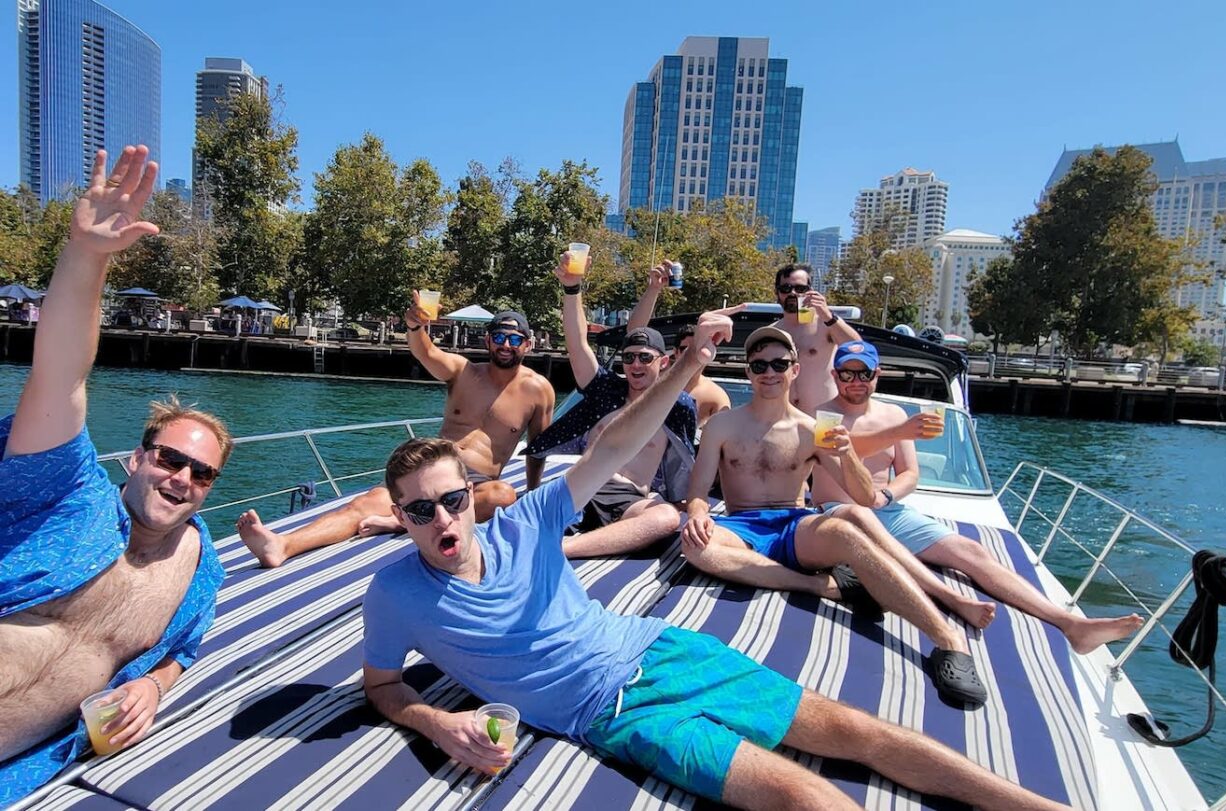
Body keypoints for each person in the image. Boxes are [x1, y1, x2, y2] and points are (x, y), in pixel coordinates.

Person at [360, 308, 1069, 811]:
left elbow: (610, 446)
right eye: (421, 510)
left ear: (472, 493)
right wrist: (436, 721)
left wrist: (689, 363)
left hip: (660, 646)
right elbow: (385, 687)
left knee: (858, 730)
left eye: (451, 500)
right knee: (803, 797)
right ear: (399, 516)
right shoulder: (396, 592)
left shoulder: (526, 520)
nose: (442, 518)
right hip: (613, 713)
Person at [0, 146, 228, 802]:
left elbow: (181, 651)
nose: (181, 476)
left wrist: (153, 687)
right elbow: (62, 376)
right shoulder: (65, 492)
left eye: (201, 472)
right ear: (136, 458)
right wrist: (86, 255)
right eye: (168, 457)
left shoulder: (199, 568)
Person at [679, 326, 990, 707]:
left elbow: (865, 497)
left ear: (795, 369)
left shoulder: (817, 428)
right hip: (740, 524)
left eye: (779, 363)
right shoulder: (722, 425)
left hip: (793, 523)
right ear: (749, 372)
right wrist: (697, 512)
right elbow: (698, 492)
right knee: (696, 547)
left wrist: (847, 455)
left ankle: (948, 640)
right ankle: (818, 585)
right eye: (759, 364)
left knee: (847, 531)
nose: (769, 372)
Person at [814, 341, 1145, 654]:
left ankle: (1071, 624)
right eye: (847, 373)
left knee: (970, 550)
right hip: (841, 512)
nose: (855, 381)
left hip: (888, 509)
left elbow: (910, 474)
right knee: (887, 547)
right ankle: (952, 599)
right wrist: (898, 434)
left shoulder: (896, 415)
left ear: (877, 374)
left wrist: (887, 495)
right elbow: (838, 449)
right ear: (835, 376)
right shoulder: (822, 416)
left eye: (864, 373)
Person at [236, 302, 554, 567]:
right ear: (487, 341)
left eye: (514, 339)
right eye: (499, 336)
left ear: (527, 344)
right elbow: (425, 353)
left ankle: (401, 521)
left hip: (474, 483)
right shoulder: (463, 372)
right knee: (364, 504)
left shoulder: (538, 391)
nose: (505, 345)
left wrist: (535, 492)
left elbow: (538, 448)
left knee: (504, 496)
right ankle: (282, 545)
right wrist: (415, 327)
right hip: (433, 466)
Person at [521, 258, 691, 558]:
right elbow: (577, 343)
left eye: (645, 358)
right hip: (579, 484)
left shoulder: (676, 407)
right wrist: (571, 288)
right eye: (628, 358)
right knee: (505, 508)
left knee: (665, 518)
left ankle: (563, 549)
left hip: (628, 497)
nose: (635, 365)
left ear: (664, 362)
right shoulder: (605, 391)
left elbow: (687, 461)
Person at [626, 263, 731, 426]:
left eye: (699, 348)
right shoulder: (653, 381)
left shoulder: (716, 397)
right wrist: (653, 289)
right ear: (675, 352)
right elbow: (634, 334)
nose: (693, 355)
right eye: (686, 349)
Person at [768, 263, 862, 414]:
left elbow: (857, 349)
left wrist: (827, 315)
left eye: (800, 289)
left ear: (810, 292)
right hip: (783, 421)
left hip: (822, 419)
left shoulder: (825, 325)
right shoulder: (772, 332)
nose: (793, 293)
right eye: (786, 288)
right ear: (777, 293)